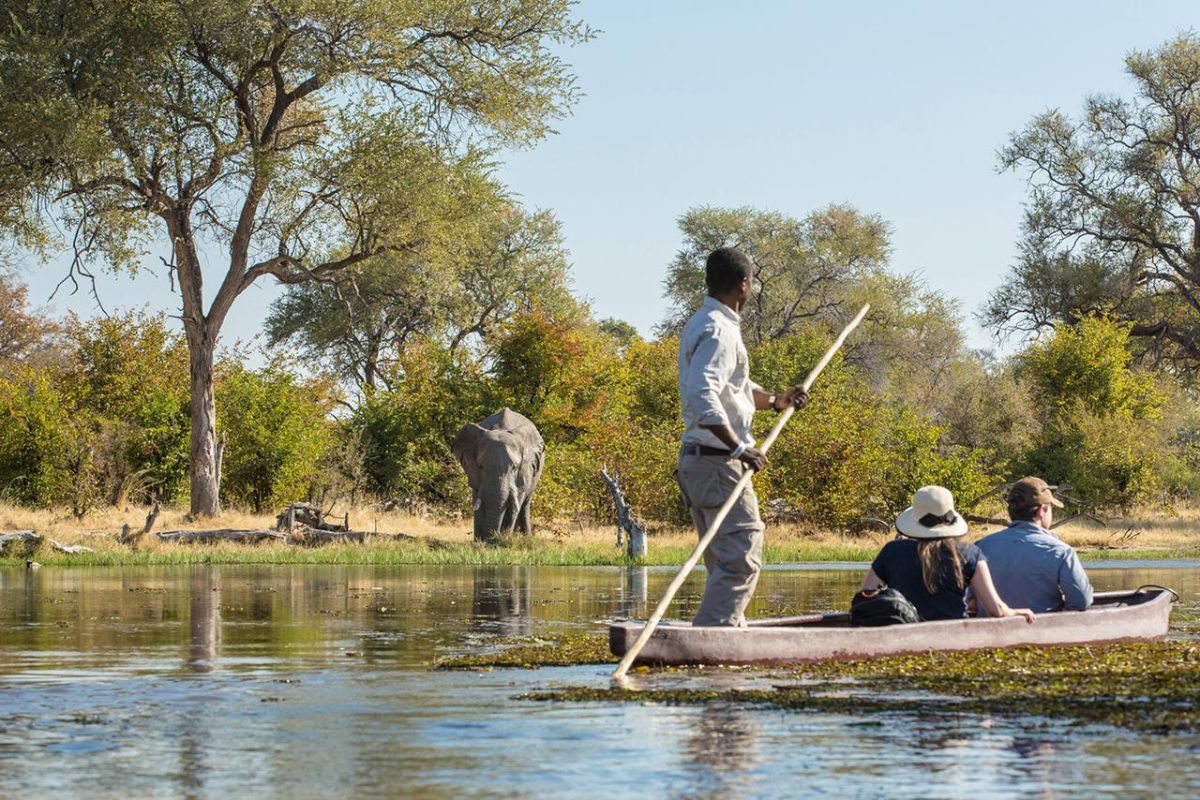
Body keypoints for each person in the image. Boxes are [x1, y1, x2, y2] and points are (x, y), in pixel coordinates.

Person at [677, 247, 808, 627]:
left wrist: (776, 401)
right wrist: (739, 447)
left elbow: (732, 387)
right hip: (718, 462)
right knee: (742, 557)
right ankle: (712, 640)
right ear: (744, 284)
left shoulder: (706, 322)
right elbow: (703, 393)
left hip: (701, 461)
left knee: (722, 563)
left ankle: (726, 634)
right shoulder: (719, 331)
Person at [862, 485, 1035, 623]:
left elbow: (866, 595)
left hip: (904, 634)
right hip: (955, 636)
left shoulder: (892, 551)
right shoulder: (970, 553)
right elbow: (996, 610)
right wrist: (1017, 611)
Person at [974, 476, 1093, 615]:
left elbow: (969, 599)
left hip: (990, 634)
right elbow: (1081, 602)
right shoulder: (1061, 551)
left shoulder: (980, 546)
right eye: (1051, 507)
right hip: (1041, 633)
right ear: (1041, 511)